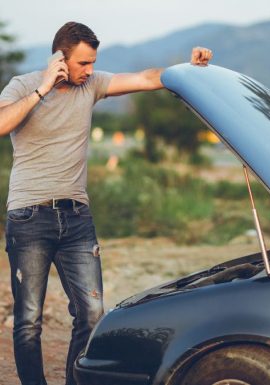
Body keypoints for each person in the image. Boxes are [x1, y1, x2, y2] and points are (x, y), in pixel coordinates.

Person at [0, 21, 213, 385]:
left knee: (92, 312)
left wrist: (187, 69)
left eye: (93, 62)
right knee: (29, 320)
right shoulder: (23, 85)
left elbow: (146, 78)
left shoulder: (92, 85)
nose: (90, 70)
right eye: (83, 63)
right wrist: (42, 89)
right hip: (29, 217)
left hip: (78, 218)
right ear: (60, 59)